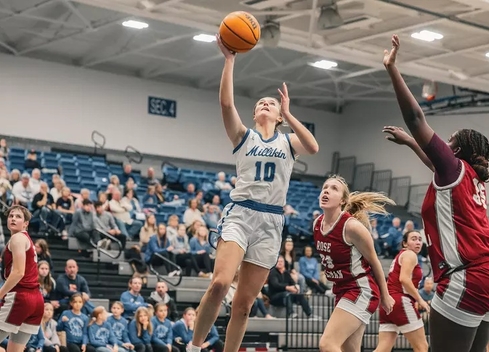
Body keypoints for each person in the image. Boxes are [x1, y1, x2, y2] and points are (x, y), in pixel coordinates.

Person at [188, 35, 319, 352]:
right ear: (254, 114)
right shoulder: (243, 136)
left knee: (244, 305)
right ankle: (193, 347)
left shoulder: (288, 142)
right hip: (241, 213)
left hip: (271, 222)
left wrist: (289, 114)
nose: (265, 103)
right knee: (220, 284)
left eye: (271, 103)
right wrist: (230, 61)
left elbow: (314, 146)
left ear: (278, 116)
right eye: (261, 102)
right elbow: (226, 103)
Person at [383, 34, 489, 352]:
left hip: (467, 278)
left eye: (449, 139)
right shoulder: (471, 179)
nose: (443, 140)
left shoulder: (454, 169)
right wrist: (412, 143)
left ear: (457, 150)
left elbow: (416, 118)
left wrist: (392, 69)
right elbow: (434, 163)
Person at [313, 175, 395, 352]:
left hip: (360, 290)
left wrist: (385, 295)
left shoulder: (352, 227)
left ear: (343, 201)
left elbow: (375, 262)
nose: (326, 190)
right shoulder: (317, 224)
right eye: (324, 187)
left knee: (327, 345)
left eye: (334, 188)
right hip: (341, 290)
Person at [0, 205, 45, 352]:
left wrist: (0, 294)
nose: (13, 218)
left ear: (26, 223)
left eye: (18, 216)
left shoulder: (18, 238)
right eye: (11, 215)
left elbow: (18, 272)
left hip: (20, 298)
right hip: (36, 300)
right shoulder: (27, 240)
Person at [375, 231, 429, 352]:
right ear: (405, 243)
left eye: (420, 239)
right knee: (422, 347)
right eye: (414, 239)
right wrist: (420, 300)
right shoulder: (410, 254)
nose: (418, 242)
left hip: (387, 303)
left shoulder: (401, 255)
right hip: (400, 301)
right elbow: (404, 279)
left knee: (383, 348)